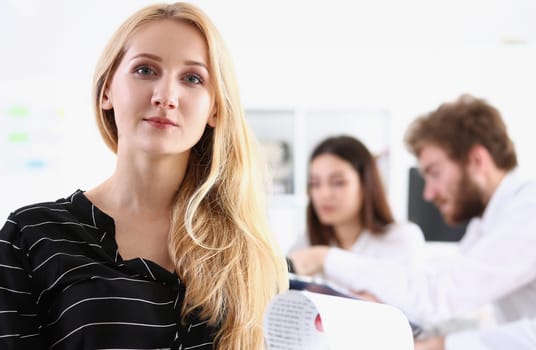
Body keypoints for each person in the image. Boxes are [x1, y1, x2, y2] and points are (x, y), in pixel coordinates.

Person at [0, 3, 288, 349]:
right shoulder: (32, 235)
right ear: (106, 90)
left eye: (192, 78)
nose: (165, 96)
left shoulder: (248, 253)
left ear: (214, 107)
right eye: (145, 70)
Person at [290, 94, 536, 349]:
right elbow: (437, 290)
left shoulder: (528, 211)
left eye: (434, 173)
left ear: (477, 161)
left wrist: (325, 258)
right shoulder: (484, 224)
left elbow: (435, 295)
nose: (428, 193)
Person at [289, 135, 425, 283]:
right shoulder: (306, 242)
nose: (324, 194)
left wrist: (323, 258)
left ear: (366, 184)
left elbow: (408, 296)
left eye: (338, 183)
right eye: (315, 184)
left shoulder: (402, 238)